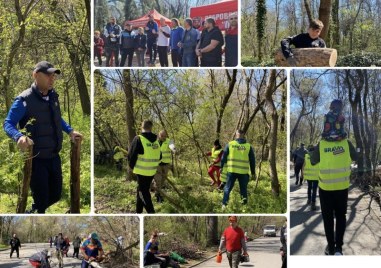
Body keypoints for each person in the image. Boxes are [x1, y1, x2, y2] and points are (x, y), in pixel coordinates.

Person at [3, 61, 83, 214]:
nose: (52, 78)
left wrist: (70, 131)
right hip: (36, 158)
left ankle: (33, 209)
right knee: (42, 199)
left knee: (56, 194)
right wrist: (18, 136)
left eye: (53, 76)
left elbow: (57, 119)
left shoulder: (53, 97)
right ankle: (33, 212)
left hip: (54, 156)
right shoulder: (24, 100)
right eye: (48, 75)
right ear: (36, 75)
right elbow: (8, 123)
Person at [309, 99, 358, 255]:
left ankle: (330, 246)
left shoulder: (321, 144)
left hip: (325, 190)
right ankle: (338, 248)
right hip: (342, 189)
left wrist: (312, 152)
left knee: (328, 219)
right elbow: (356, 157)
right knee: (341, 217)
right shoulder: (346, 143)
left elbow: (313, 160)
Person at [128, 120, 161, 213]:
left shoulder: (139, 139)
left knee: (144, 193)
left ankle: (151, 213)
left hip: (141, 171)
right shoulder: (156, 141)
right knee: (140, 191)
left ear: (141, 127)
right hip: (152, 171)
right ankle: (138, 212)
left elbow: (131, 156)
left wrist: (131, 167)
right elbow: (160, 156)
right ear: (151, 127)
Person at [221, 130, 255, 208]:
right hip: (243, 172)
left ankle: (224, 205)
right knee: (243, 190)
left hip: (231, 171)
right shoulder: (248, 146)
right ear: (243, 135)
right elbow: (252, 161)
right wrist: (253, 173)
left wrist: (221, 167)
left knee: (227, 188)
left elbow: (223, 157)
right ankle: (244, 206)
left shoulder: (230, 144)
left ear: (236, 135)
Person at [153, 130, 176, 203]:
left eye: (165, 136)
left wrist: (174, 150)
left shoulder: (169, 141)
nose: (163, 137)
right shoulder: (154, 142)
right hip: (157, 164)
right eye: (162, 136)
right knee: (158, 180)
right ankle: (158, 195)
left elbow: (172, 146)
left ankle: (156, 188)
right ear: (159, 135)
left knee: (163, 179)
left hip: (166, 164)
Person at [302, 145, 319, 210]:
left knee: (309, 188)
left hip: (308, 176)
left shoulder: (306, 156)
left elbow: (303, 166)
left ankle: (309, 199)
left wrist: (302, 174)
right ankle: (313, 203)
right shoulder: (318, 156)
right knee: (314, 190)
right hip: (316, 176)